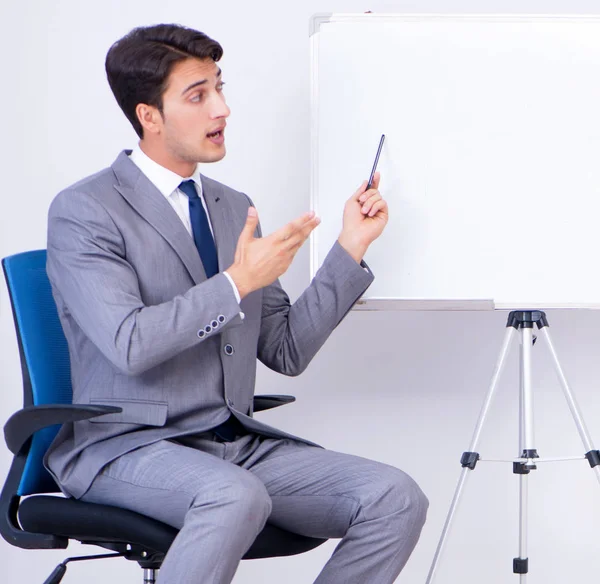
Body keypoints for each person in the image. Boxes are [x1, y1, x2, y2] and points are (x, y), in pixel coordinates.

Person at [44, 23, 428, 584]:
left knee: (394, 497)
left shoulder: (232, 207)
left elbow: (286, 349)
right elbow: (130, 344)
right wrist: (235, 283)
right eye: (198, 95)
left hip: (232, 443)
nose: (221, 108)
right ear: (149, 116)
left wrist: (350, 247)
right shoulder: (86, 209)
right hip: (126, 448)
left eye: (220, 88)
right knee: (234, 496)